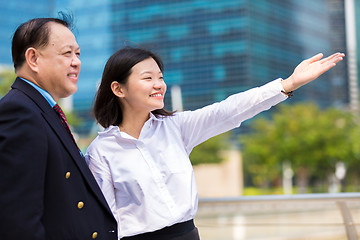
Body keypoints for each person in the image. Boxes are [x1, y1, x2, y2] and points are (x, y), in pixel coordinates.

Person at [85, 46, 344, 240]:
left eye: (160, 77)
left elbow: (228, 111)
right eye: (147, 78)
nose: (159, 85)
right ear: (119, 89)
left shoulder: (176, 127)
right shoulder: (101, 151)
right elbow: (103, 218)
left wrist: (288, 85)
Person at [0, 14, 117, 239]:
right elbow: (17, 220)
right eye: (67, 53)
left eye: (78, 53)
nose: (76, 61)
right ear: (33, 58)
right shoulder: (19, 112)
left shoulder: (40, 108)